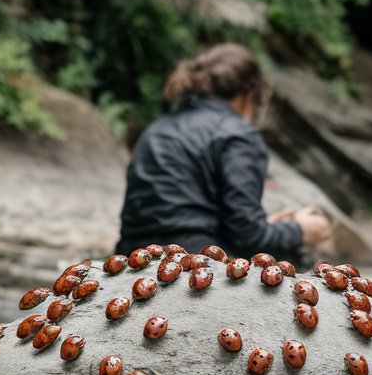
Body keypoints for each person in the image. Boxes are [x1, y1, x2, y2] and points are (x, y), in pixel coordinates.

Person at [116, 43, 331, 261]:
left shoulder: (158, 128)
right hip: (196, 261)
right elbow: (249, 238)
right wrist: (299, 230)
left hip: (134, 256)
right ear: (250, 94)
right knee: (291, 259)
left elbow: (174, 218)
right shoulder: (237, 134)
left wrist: (266, 225)